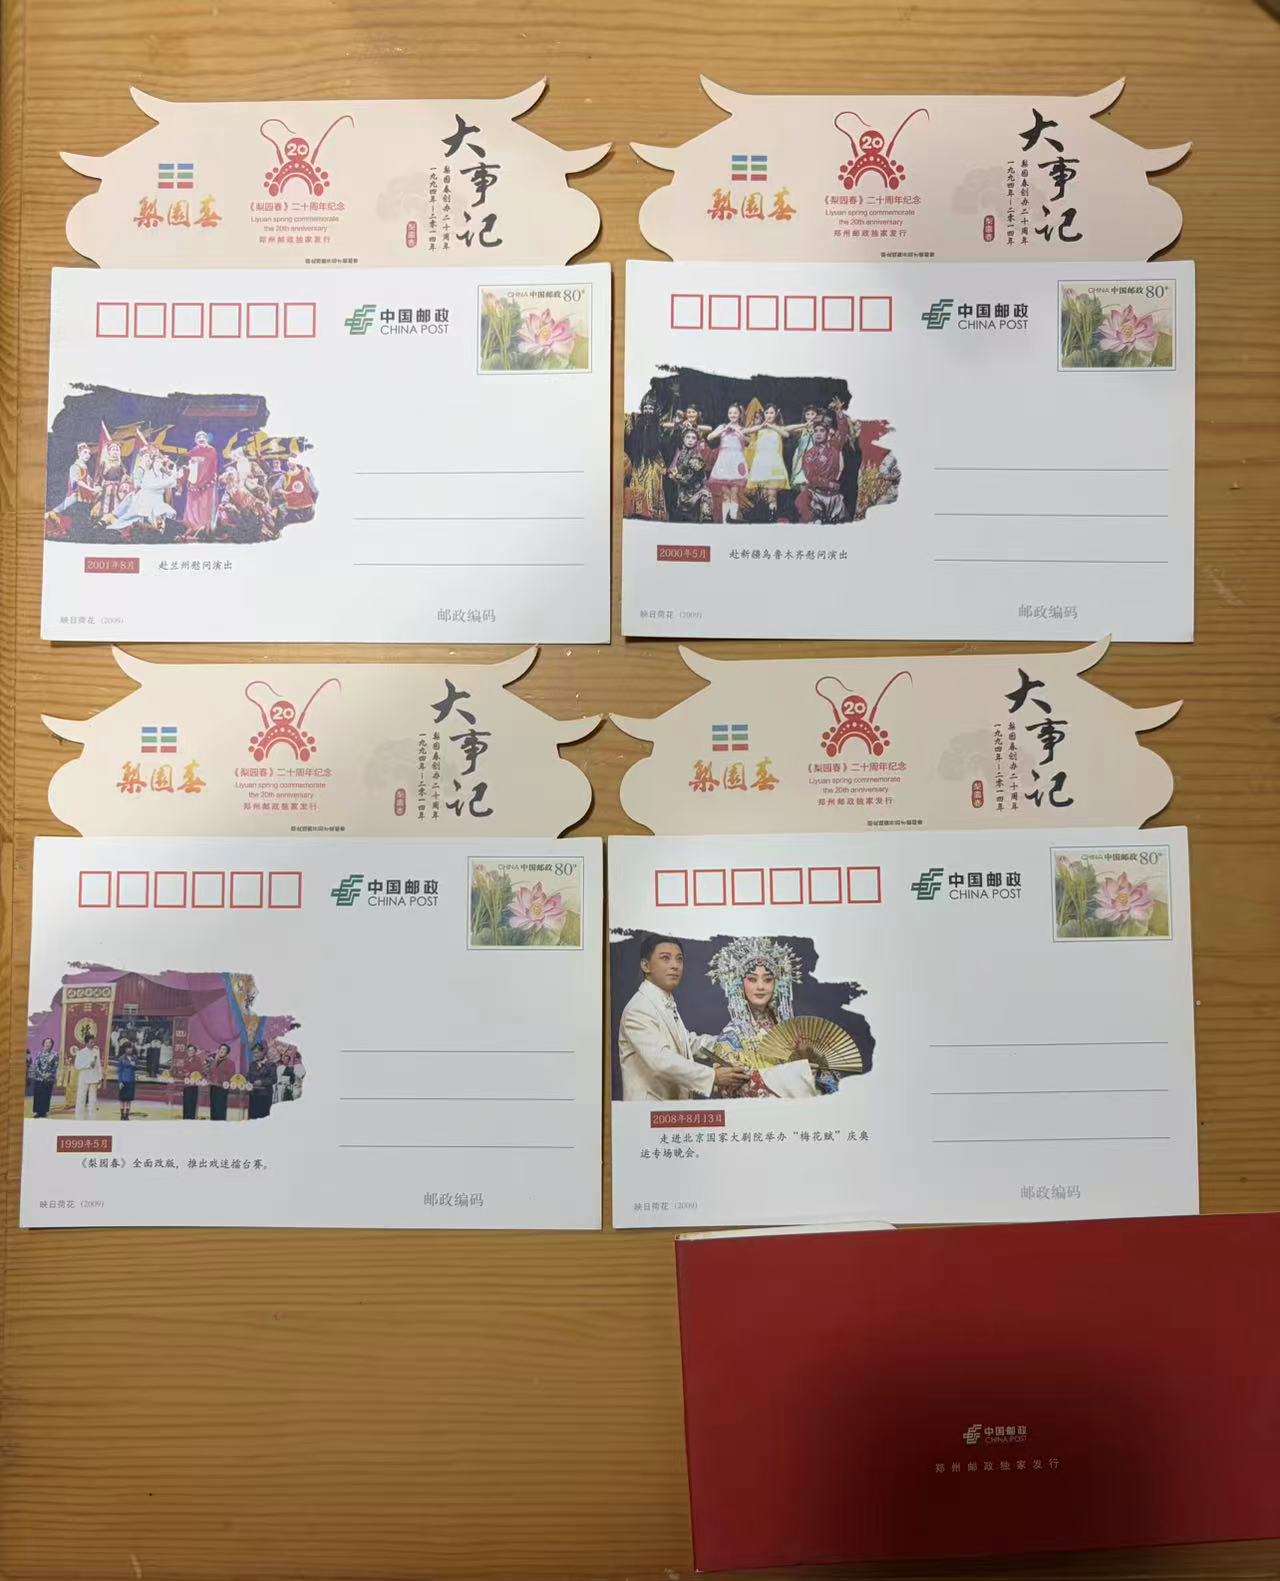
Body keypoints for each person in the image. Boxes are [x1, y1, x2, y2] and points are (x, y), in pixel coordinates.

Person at [617, 935, 752, 1101]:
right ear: (646, 965)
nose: (674, 965)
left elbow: (687, 1042)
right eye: (665, 958)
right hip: (649, 1110)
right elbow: (661, 1061)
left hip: (670, 1108)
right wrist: (713, 1076)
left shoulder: (662, 1000)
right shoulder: (639, 1009)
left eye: (679, 959)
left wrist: (730, 1042)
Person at [706, 937, 835, 1099]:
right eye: (752, 979)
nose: (760, 986)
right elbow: (733, 1090)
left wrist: (815, 1065)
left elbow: (828, 1081)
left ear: (777, 983)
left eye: (768, 980)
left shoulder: (791, 1030)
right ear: (739, 984)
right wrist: (799, 1073)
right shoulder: (731, 1036)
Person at [105, 442, 178, 534]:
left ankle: (157, 528)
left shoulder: (160, 473)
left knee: (167, 514)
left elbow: (171, 482)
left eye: (160, 461)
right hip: (144, 499)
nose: (158, 463)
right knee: (132, 515)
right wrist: (173, 472)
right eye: (156, 461)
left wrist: (171, 469)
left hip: (156, 501)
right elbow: (140, 481)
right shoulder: (146, 473)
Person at [623, 394, 668, 520]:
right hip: (639, 459)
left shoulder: (659, 424)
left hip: (653, 460)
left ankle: (651, 511)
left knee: (651, 480)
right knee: (637, 480)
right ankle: (638, 510)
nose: (648, 411)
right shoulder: (637, 422)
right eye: (646, 408)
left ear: (655, 410)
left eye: (651, 408)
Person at [743, 404, 791, 521]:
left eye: (771, 413)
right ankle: (765, 519)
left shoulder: (778, 428)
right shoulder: (760, 428)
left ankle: (772, 519)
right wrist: (761, 426)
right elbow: (744, 431)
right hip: (761, 465)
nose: (769, 415)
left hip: (774, 465)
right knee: (763, 496)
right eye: (767, 413)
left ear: (776, 414)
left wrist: (771, 426)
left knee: (772, 495)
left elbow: (786, 434)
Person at [45, 442, 101, 538]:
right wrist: (92, 489)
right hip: (74, 496)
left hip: (82, 498)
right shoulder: (75, 467)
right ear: (79, 454)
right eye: (85, 452)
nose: (87, 455)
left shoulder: (84, 468)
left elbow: (89, 481)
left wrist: (96, 487)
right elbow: (77, 482)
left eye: (88, 453)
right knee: (61, 512)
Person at [798, 416, 847, 524]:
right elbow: (811, 477)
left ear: (828, 433)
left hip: (834, 497)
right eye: (816, 431)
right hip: (817, 497)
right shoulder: (809, 455)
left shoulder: (835, 447)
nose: (818, 434)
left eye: (822, 431)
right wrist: (828, 484)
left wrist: (840, 415)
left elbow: (842, 432)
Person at [706, 404, 750, 522]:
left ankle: (733, 519)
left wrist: (738, 432)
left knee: (734, 492)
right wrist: (723, 430)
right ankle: (725, 522)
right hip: (724, 462)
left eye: (735, 413)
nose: (732, 415)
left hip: (736, 462)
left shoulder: (742, 428)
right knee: (725, 494)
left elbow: (749, 441)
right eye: (730, 413)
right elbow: (709, 437)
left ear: (739, 414)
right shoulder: (723, 426)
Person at [667, 427, 713, 523]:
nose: (690, 440)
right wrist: (674, 475)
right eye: (687, 437)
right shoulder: (681, 454)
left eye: (693, 438)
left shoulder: (697, 457)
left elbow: (690, 479)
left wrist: (676, 476)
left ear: (697, 441)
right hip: (682, 494)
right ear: (683, 439)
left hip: (697, 495)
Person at [179, 430, 219, 541]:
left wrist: (201, 476)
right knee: (193, 506)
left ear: (207, 439)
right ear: (196, 440)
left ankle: (205, 528)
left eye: (203, 438)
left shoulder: (211, 450)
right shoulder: (193, 451)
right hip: (194, 486)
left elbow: (210, 467)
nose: (201, 439)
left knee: (205, 506)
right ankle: (193, 526)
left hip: (207, 485)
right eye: (199, 438)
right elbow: (186, 461)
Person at [73, 1033, 103, 1120]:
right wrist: (88, 1065)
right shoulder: (81, 1052)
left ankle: (92, 1118)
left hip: (94, 1077)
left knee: (93, 1100)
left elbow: (98, 1065)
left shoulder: (96, 1051)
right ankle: (79, 1118)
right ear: (86, 1043)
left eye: (94, 1042)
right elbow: (77, 1066)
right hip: (84, 1078)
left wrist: (100, 1077)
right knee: (81, 1098)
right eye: (91, 1042)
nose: (93, 1044)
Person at [28, 1037, 59, 1118]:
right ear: (43, 1044)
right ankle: (38, 1112)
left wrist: (48, 1075)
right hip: (39, 1078)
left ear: (52, 1044)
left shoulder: (55, 1054)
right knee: (38, 1095)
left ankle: (44, 1112)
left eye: (49, 1042)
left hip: (49, 1079)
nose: (48, 1044)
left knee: (46, 1096)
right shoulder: (39, 1054)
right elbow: (36, 1065)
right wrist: (41, 1075)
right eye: (46, 1042)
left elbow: (55, 1067)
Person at [248, 1042, 276, 1120]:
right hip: (253, 1095)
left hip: (265, 1095)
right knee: (252, 1118)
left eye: (257, 1052)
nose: (255, 1055)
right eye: (254, 1053)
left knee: (264, 1118)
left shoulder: (271, 1064)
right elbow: (248, 1076)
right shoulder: (252, 1064)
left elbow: (273, 1079)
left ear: (263, 1052)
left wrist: (262, 1082)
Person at [207, 1043, 234, 1120]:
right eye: (220, 1049)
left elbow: (231, 1076)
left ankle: (221, 1124)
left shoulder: (230, 1063)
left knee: (220, 1108)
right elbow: (209, 1072)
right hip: (213, 1087)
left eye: (224, 1049)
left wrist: (221, 1080)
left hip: (222, 1088)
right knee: (213, 1108)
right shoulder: (213, 1061)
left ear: (227, 1052)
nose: (221, 1051)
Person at [116, 1038, 138, 1120]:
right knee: (122, 1099)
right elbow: (119, 1071)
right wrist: (120, 1082)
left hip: (131, 1080)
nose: (130, 1049)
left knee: (129, 1099)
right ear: (125, 1049)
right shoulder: (121, 1058)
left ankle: (127, 1115)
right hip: (123, 1081)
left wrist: (134, 1065)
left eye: (131, 1048)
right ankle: (122, 1115)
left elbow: (136, 1068)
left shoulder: (134, 1058)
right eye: (128, 1048)